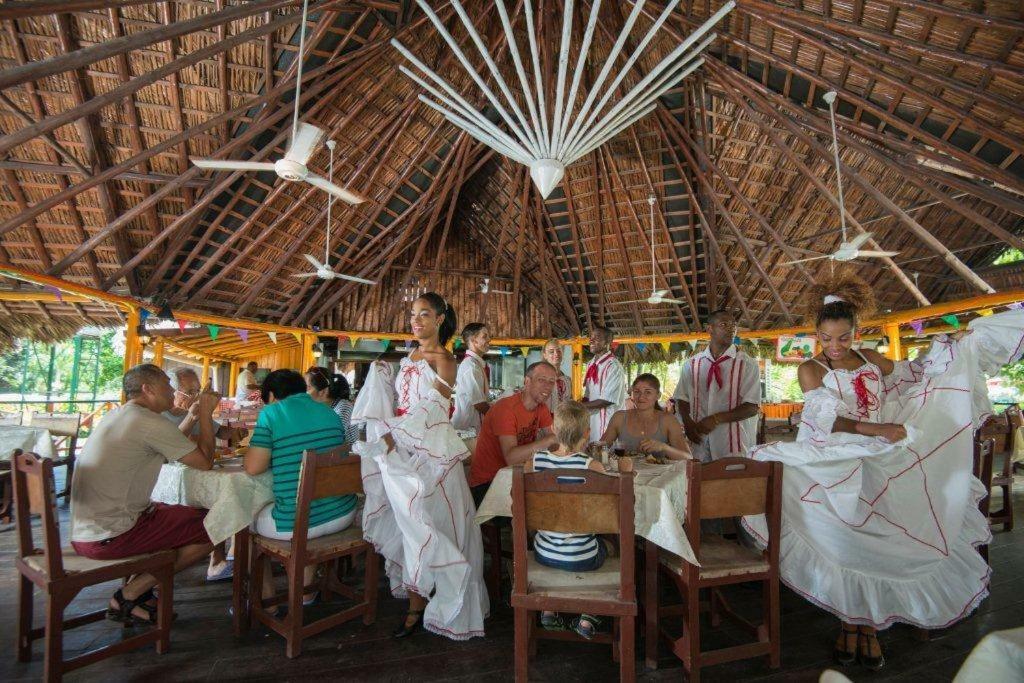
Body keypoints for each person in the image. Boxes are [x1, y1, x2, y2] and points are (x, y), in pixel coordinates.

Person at [742, 273, 1024, 671]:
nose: (835, 346)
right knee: (844, 541)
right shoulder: (810, 369)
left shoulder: (872, 359)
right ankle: (850, 622)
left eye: (843, 337)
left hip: (879, 455)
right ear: (817, 334)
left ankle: (867, 627)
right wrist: (877, 430)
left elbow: (914, 377)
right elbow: (829, 422)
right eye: (827, 338)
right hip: (834, 458)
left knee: (884, 537)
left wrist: (952, 354)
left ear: (857, 331)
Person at [352, 292, 488, 640]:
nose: (416, 321)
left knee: (433, 525)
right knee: (410, 527)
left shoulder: (446, 360)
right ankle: (416, 601)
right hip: (403, 451)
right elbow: (401, 403)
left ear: (440, 318)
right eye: (413, 314)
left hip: (433, 455)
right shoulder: (407, 355)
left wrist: (391, 438)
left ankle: (444, 601)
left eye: (424, 314)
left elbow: (430, 410)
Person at [70, 364, 217, 626]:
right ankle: (130, 594)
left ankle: (141, 592)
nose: (173, 391)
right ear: (147, 389)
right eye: (167, 384)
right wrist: (206, 414)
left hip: (88, 529)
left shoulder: (120, 415)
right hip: (112, 535)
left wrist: (193, 416)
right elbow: (204, 462)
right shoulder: (148, 422)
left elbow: (165, 444)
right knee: (217, 525)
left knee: (184, 514)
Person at [244, 369, 355, 605]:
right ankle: (304, 592)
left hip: (300, 525)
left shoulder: (272, 413)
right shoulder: (329, 413)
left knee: (241, 519)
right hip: (344, 513)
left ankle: (268, 603)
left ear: (272, 396)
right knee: (309, 500)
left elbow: (254, 467)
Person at [527, 401, 630, 639]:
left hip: (543, 552)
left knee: (567, 540)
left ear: (553, 428)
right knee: (612, 546)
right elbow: (613, 510)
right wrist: (625, 471)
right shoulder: (592, 466)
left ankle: (549, 608)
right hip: (583, 557)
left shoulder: (535, 461)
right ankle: (587, 614)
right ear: (587, 433)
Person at [164, 366, 243, 582]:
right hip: (164, 486)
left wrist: (237, 431)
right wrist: (197, 417)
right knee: (213, 505)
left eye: (198, 391)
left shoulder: (197, 413)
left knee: (219, 499)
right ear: (171, 392)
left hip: (197, 474)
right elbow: (179, 445)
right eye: (190, 392)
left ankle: (217, 560)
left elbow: (222, 432)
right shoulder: (159, 416)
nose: (196, 396)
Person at [674, 309, 760, 461]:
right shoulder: (692, 364)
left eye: (733, 325)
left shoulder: (747, 364)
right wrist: (688, 424)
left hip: (733, 445)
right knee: (698, 483)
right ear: (709, 329)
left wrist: (715, 419)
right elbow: (681, 398)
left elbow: (752, 407)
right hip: (698, 442)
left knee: (730, 484)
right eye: (724, 324)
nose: (731, 329)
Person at [468, 361, 559, 504]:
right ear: (527, 382)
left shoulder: (541, 408)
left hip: (515, 476)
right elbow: (511, 457)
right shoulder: (506, 409)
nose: (547, 386)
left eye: (551, 382)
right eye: (541, 380)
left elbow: (556, 441)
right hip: (487, 483)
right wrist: (548, 441)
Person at [601, 374, 691, 460]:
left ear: (658, 395)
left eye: (648, 392)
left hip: (660, 475)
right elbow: (600, 447)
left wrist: (664, 447)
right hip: (624, 474)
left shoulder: (668, 420)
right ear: (632, 394)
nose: (641, 397)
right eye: (637, 392)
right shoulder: (619, 417)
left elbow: (688, 457)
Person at [581, 326, 626, 443]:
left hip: (608, 423)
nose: (591, 340)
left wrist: (578, 407)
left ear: (608, 343)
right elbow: (588, 395)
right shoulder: (591, 364)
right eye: (591, 337)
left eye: (597, 338)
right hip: (592, 422)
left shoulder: (613, 366)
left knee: (607, 457)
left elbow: (607, 400)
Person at [452, 322, 491, 433]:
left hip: (472, 429)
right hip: (466, 430)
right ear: (474, 340)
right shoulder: (471, 366)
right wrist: (500, 417)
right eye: (485, 336)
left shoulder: (476, 364)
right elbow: (479, 404)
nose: (489, 339)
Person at [305, 366, 358, 444]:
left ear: (323, 391)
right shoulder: (318, 408)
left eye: (308, 387)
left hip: (346, 454)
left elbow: (333, 438)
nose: (303, 392)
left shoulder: (343, 407)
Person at [542, 338, 572, 413]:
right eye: (551, 351)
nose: (556, 354)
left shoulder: (567, 380)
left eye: (559, 350)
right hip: (545, 421)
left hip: (564, 421)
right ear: (545, 355)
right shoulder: (539, 378)